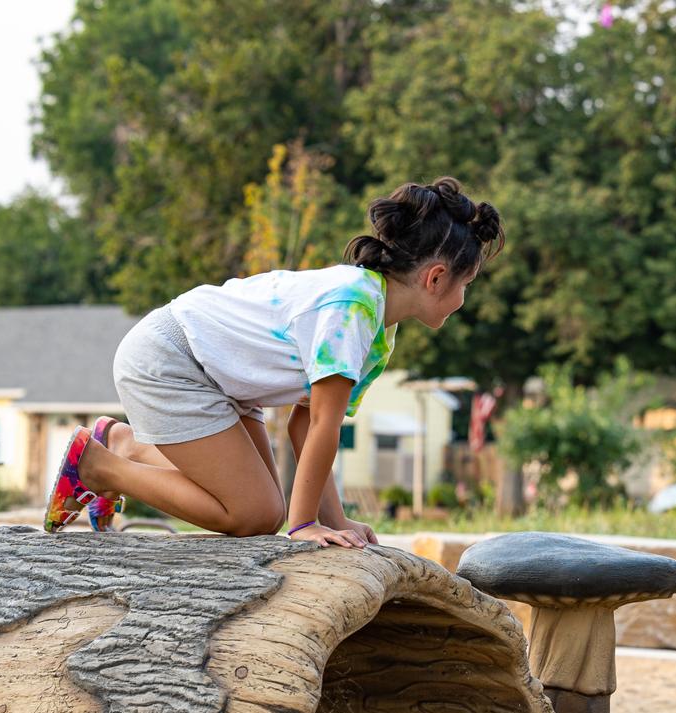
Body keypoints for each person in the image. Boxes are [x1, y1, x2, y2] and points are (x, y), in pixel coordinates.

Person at [42, 177, 501, 547]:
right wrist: (304, 527)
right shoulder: (351, 309)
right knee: (255, 515)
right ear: (436, 278)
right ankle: (97, 467)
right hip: (173, 359)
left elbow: (304, 424)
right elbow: (322, 425)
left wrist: (333, 520)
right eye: (467, 284)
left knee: (266, 508)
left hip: (221, 379)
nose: (463, 298)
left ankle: (120, 444)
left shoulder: (379, 327)